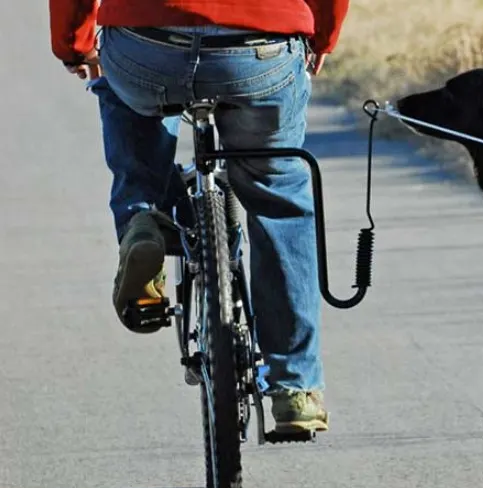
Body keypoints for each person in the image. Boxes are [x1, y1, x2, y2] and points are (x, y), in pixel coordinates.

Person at [48, 0, 350, 434]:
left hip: (145, 44)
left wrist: (73, 45)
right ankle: (294, 389)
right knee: (278, 196)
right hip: (257, 48)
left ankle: (143, 215)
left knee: (121, 91)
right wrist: (323, 34)